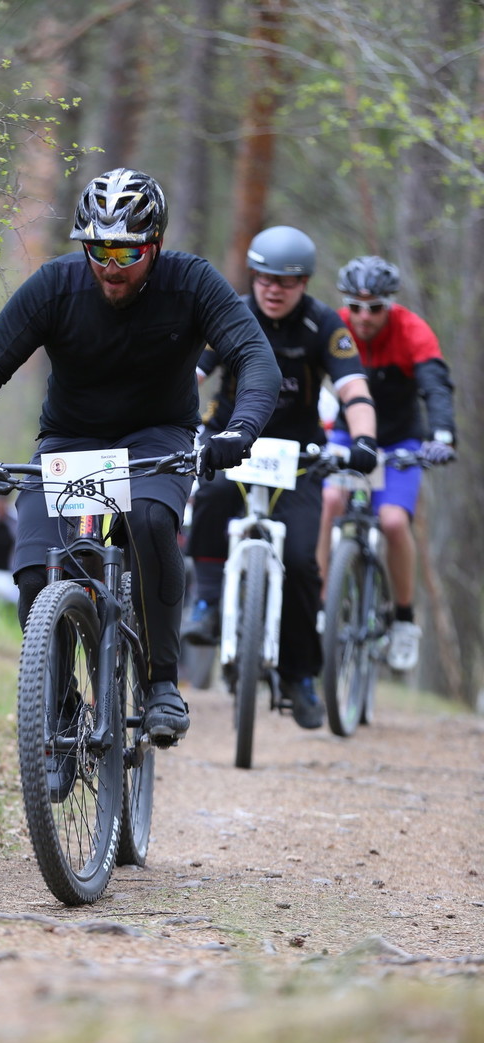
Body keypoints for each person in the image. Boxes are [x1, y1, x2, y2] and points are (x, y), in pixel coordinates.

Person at [0, 167, 282, 745]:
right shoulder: (56, 286)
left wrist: (238, 431)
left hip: (158, 438)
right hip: (71, 442)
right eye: (98, 251)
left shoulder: (190, 282)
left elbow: (254, 356)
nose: (110, 268)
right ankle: (61, 704)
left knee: (148, 519)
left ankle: (163, 681)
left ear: (156, 245)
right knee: (36, 570)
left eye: (126, 253)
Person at [182, 226, 378, 729]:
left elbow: (353, 389)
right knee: (213, 496)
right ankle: (205, 600)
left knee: (300, 563)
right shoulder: (229, 312)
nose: (273, 288)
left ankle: (300, 675)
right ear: (253, 276)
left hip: (300, 457)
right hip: (231, 444)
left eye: (286, 282)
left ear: (306, 283)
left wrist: (364, 441)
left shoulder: (323, 324)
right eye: (265, 277)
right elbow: (193, 375)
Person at [317, 255, 456, 673]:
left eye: (374, 307)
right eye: (355, 306)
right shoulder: (333, 326)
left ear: (389, 305)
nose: (363, 316)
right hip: (348, 435)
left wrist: (442, 436)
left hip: (400, 441)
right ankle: (323, 605)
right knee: (330, 502)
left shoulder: (412, 330)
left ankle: (403, 620)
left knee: (394, 521)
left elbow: (435, 386)